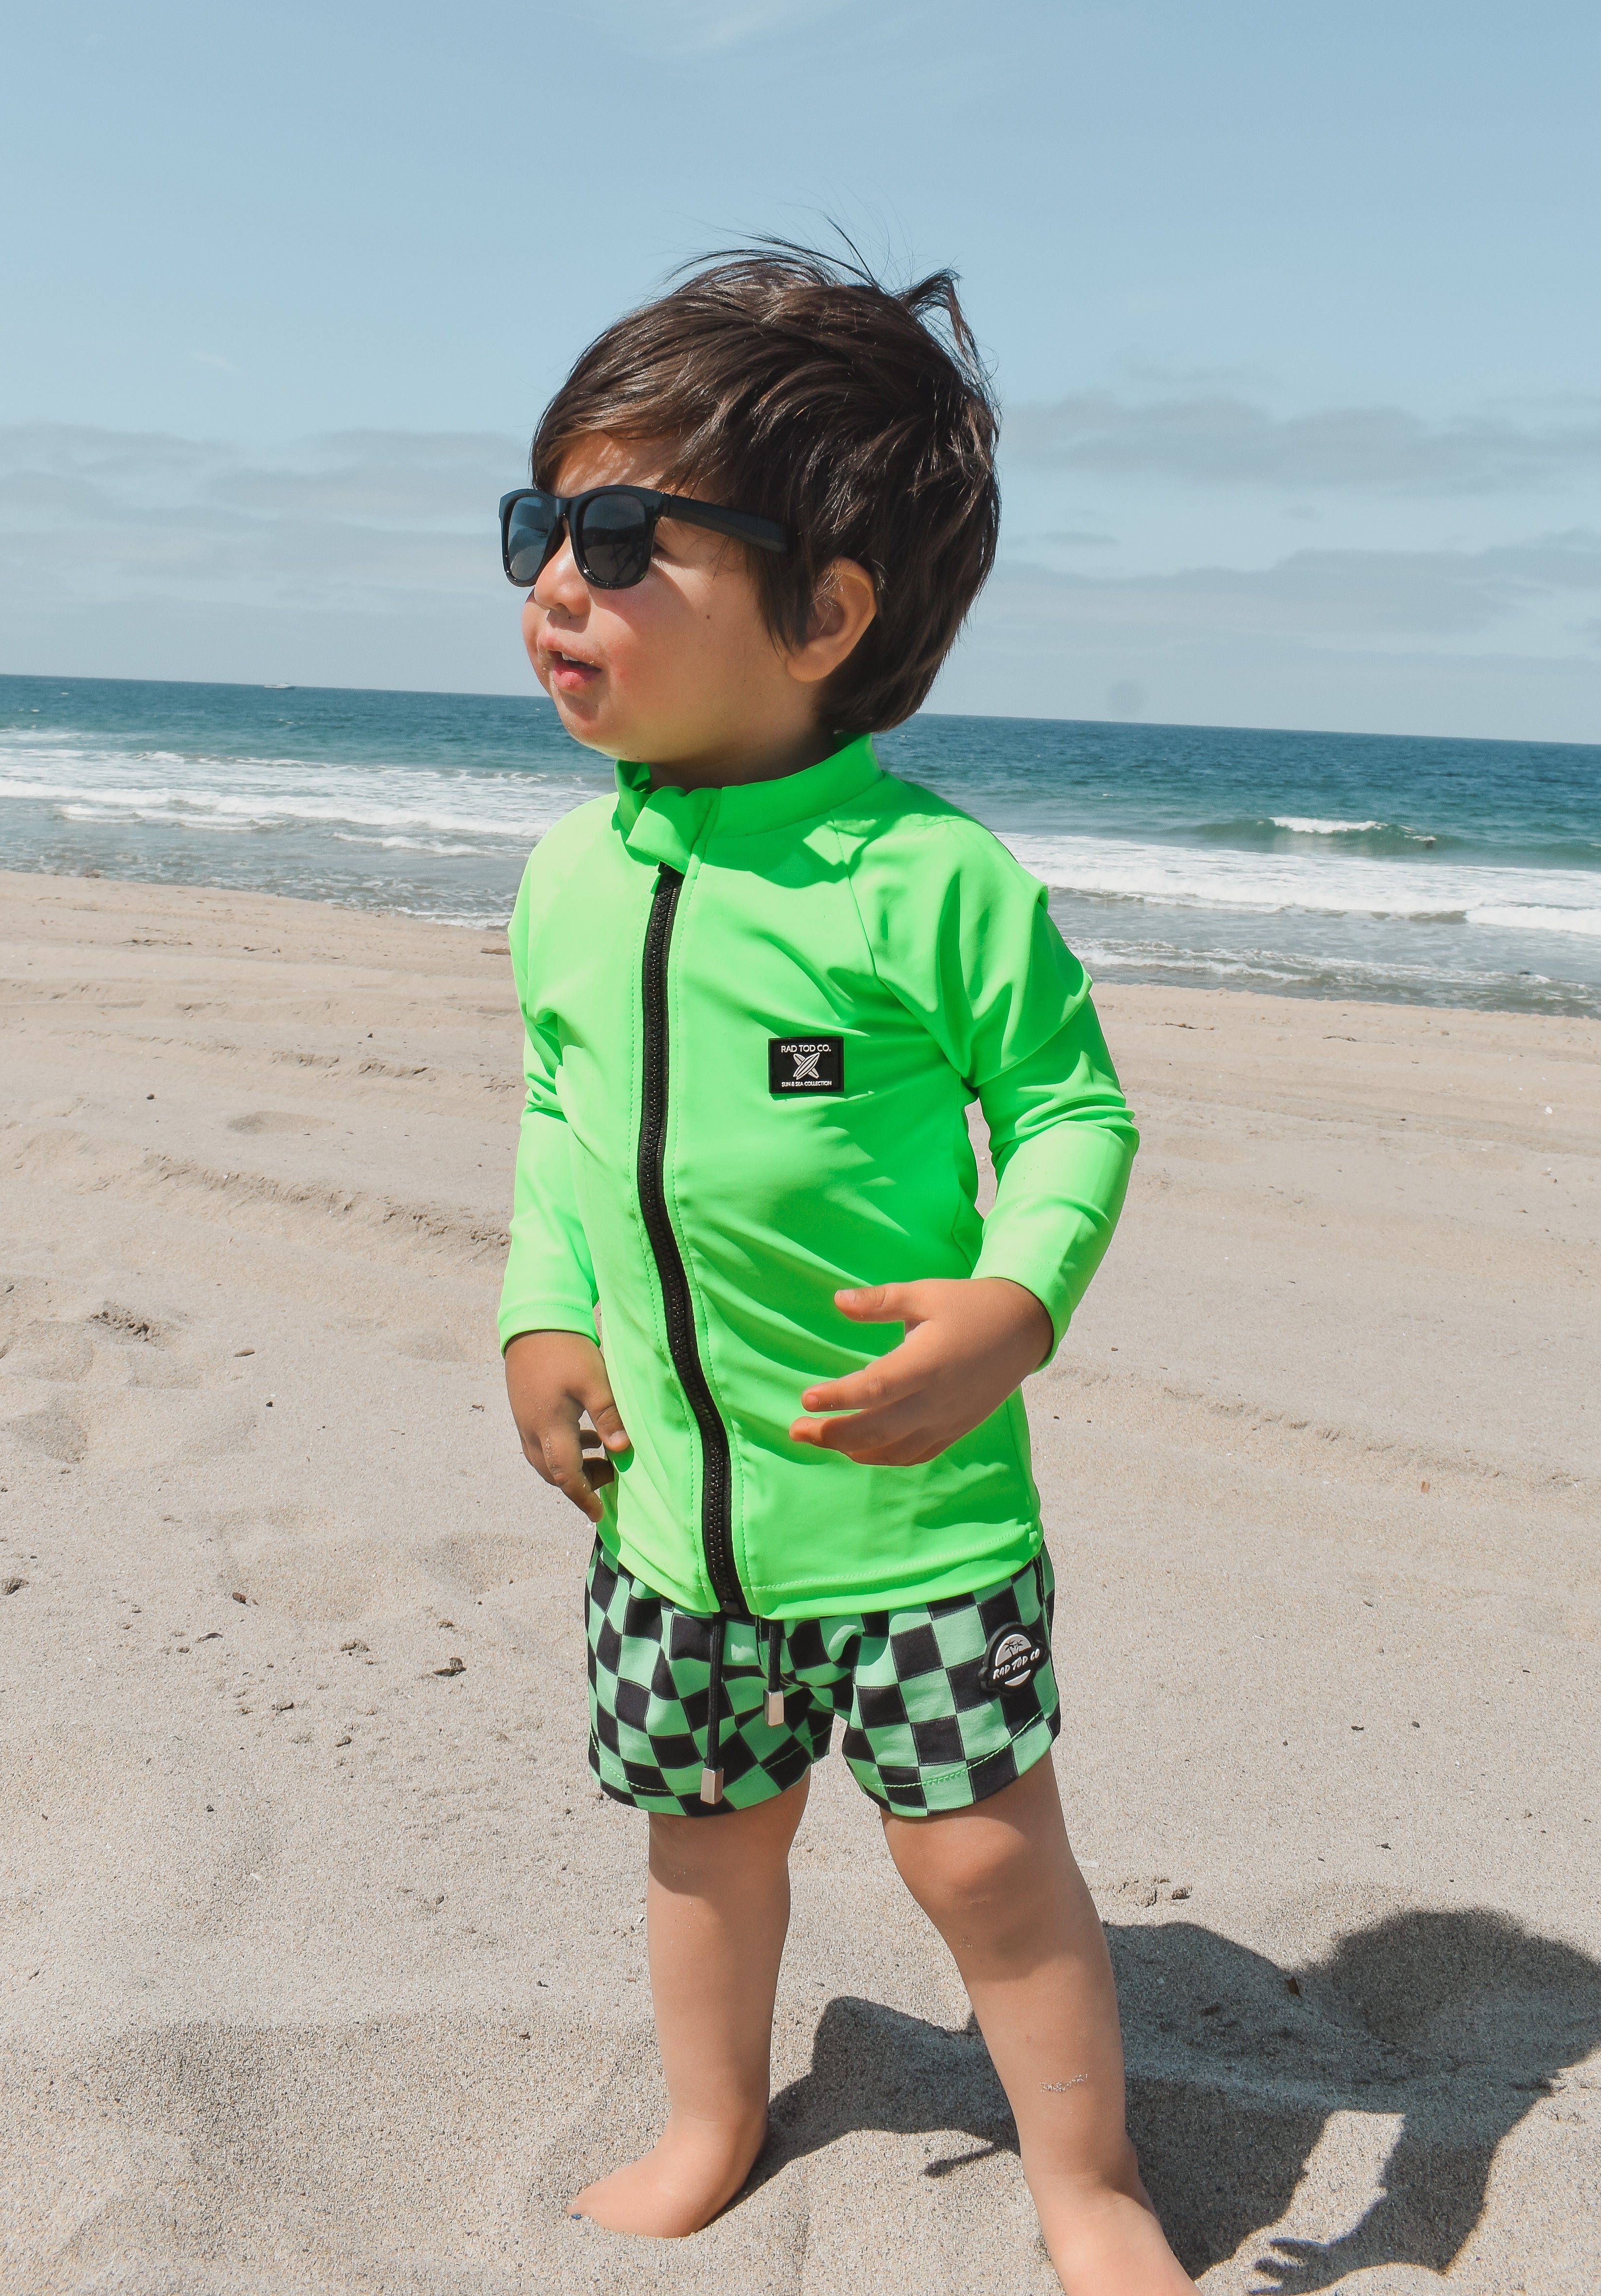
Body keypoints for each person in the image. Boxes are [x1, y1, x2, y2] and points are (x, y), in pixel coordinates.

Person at [497, 245, 1195, 2295]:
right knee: (703, 1842)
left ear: (823, 612)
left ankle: (1092, 2190)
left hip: (910, 1524)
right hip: (672, 1526)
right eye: (541, 522)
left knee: (984, 1856)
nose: (557, 578)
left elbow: (1073, 1115)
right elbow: (557, 1117)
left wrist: (1016, 1301)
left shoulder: (927, 883)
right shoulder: (569, 872)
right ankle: (713, 2115)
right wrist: (539, 1311)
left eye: (624, 537)